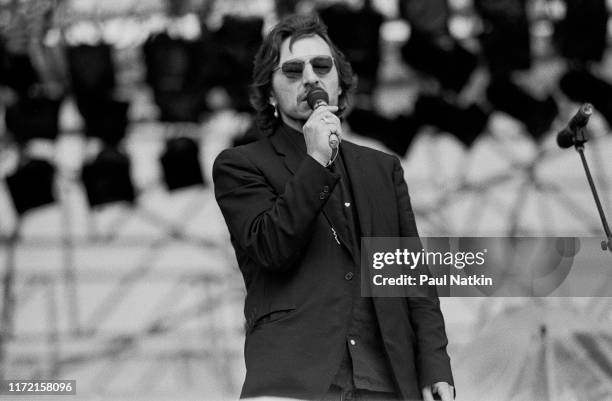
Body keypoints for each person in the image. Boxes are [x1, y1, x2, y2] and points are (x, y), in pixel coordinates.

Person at [213, 14, 454, 401]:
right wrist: (315, 161)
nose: (310, 78)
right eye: (292, 71)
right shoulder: (240, 165)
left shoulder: (382, 168)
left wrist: (435, 366)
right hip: (295, 379)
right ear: (271, 94)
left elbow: (410, 275)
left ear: (339, 84)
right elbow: (272, 248)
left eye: (321, 67)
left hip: (385, 380)